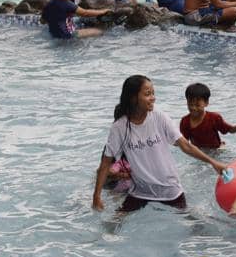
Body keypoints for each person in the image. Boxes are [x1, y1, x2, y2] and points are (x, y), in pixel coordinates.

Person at [92, 75, 228, 212]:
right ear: (133, 98)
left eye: (153, 93)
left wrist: (213, 162)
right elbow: (105, 163)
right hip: (140, 191)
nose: (153, 98)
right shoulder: (119, 127)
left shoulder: (159, 117)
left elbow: (185, 145)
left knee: (189, 218)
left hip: (169, 189)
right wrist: (96, 196)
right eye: (147, 94)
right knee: (115, 221)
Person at [179, 82, 236, 149]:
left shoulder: (214, 118)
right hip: (198, 152)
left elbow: (229, 129)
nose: (193, 108)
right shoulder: (185, 121)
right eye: (190, 104)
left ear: (206, 103)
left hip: (216, 150)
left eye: (197, 105)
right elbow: (184, 142)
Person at [42, 0, 109, 39]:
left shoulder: (48, 5)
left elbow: (42, 21)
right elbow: (85, 13)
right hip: (69, 35)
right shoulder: (66, 4)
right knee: (98, 31)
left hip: (54, 35)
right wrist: (102, 11)